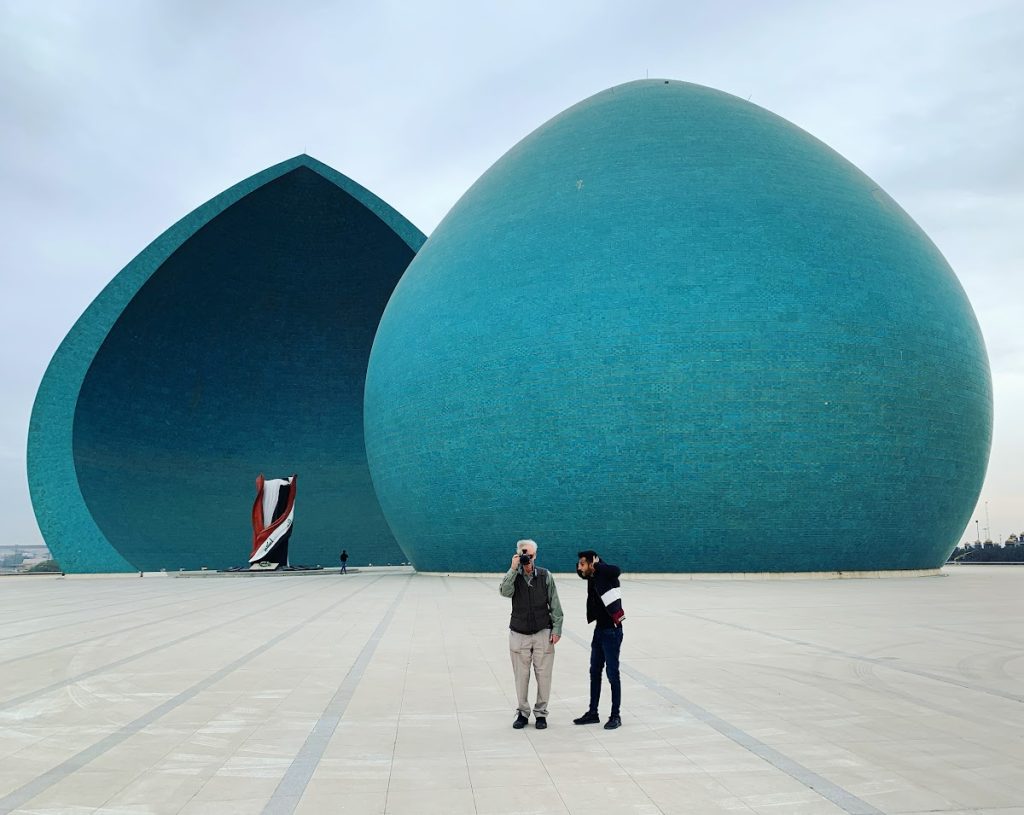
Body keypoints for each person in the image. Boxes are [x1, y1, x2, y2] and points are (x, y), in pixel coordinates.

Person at [499, 539, 563, 730]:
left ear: (536, 556)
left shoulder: (545, 575)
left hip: (543, 631)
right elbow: (504, 592)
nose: (529, 559)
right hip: (519, 633)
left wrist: (557, 629)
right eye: (525, 555)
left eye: (532, 556)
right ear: (518, 555)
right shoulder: (514, 576)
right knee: (521, 676)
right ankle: (522, 712)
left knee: (544, 676)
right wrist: (513, 569)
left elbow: (555, 604)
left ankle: (541, 713)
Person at [574, 550, 624, 729]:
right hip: (599, 630)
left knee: (612, 673)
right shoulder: (593, 577)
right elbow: (582, 575)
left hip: (612, 630)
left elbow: (617, 570)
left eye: (582, 563)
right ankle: (593, 713)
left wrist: (598, 564)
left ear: (592, 564)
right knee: (594, 671)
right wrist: (587, 567)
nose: (579, 568)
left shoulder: (607, 574)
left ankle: (615, 716)